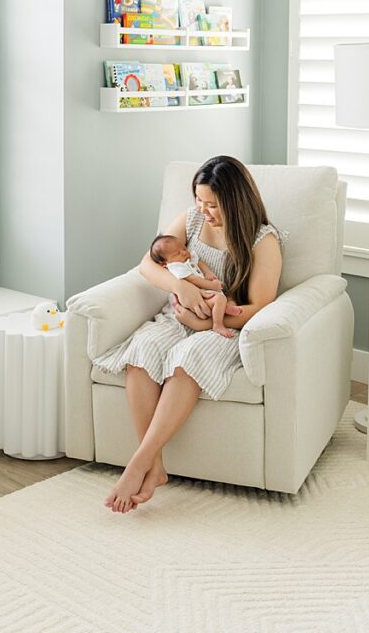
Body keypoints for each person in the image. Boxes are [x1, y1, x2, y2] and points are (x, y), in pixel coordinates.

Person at [97, 155, 284, 513]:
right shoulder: (191, 219)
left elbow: (260, 307)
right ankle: (156, 468)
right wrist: (180, 287)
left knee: (188, 358)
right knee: (143, 348)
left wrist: (206, 324)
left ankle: (137, 464)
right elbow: (147, 263)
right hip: (177, 315)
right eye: (199, 200)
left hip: (224, 326)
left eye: (212, 205)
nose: (204, 210)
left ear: (235, 202)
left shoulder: (263, 240)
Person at [149, 233, 243, 338]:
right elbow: (193, 279)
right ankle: (218, 325)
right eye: (177, 253)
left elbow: (200, 263)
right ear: (164, 263)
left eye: (184, 248)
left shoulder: (188, 258)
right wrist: (212, 285)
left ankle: (225, 308)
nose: (184, 252)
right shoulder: (175, 267)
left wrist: (208, 272)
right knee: (219, 299)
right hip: (196, 299)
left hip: (205, 292)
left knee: (230, 297)